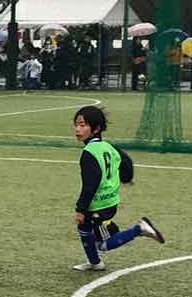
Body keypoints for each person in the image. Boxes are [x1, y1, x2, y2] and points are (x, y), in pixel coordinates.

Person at [70, 104, 164, 271]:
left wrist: (81, 209)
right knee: (85, 228)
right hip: (109, 201)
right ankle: (95, 261)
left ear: (96, 128)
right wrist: (127, 178)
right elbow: (126, 161)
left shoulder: (89, 153)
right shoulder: (109, 147)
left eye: (83, 125)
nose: (77, 129)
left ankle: (139, 229)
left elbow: (91, 185)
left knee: (102, 243)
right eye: (76, 125)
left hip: (99, 205)